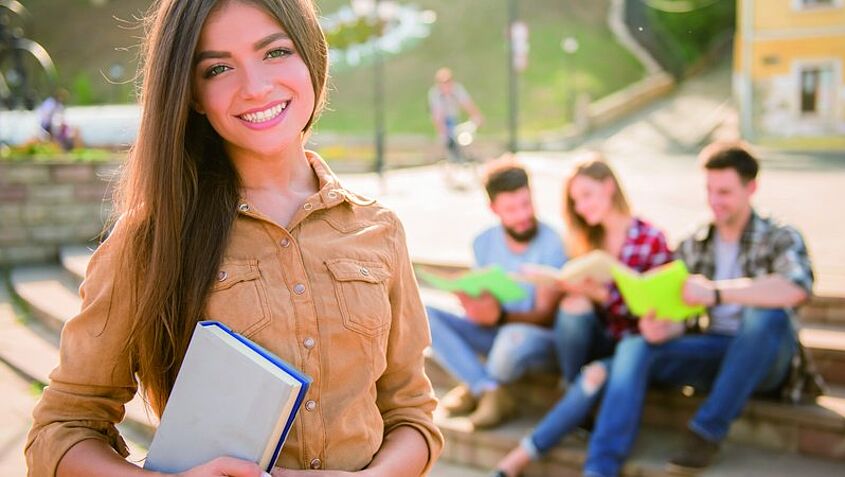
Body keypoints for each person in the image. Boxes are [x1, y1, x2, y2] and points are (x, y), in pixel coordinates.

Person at [25, 1, 442, 476]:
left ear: (312, 57)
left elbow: (412, 416)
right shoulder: (151, 240)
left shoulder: (378, 229)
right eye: (218, 67)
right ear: (193, 93)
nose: (256, 87)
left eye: (275, 52)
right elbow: (60, 431)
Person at [581, 142, 822, 477]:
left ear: (751, 187)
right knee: (636, 346)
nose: (714, 201)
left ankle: (706, 432)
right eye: (709, 190)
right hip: (714, 350)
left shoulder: (780, 236)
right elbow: (683, 311)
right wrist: (668, 328)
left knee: (766, 315)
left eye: (724, 192)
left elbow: (796, 288)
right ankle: (599, 468)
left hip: (769, 359)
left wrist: (717, 294)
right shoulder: (696, 241)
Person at [491, 153, 672, 477]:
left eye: (586, 196)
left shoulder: (650, 238)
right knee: (573, 309)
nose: (581, 207)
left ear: (609, 186)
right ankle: (573, 395)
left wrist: (602, 294)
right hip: (603, 340)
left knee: (591, 379)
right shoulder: (588, 240)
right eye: (575, 201)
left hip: (640, 345)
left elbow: (663, 307)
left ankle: (512, 464)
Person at [426, 157, 568, 429]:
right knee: (425, 315)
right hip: (494, 330)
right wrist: (473, 303)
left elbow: (547, 317)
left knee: (510, 337)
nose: (523, 215)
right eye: (511, 209)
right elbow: (484, 300)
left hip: (534, 339)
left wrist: (500, 317)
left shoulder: (552, 242)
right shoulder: (483, 242)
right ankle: (486, 387)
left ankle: (477, 385)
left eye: (526, 204)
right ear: (493, 209)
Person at [427, 67, 483, 165]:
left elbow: (467, 104)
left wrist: (477, 116)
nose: (446, 85)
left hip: (454, 116)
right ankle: (453, 157)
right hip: (443, 119)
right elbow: (437, 115)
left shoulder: (457, 89)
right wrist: (442, 131)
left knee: (463, 134)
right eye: (443, 83)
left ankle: (465, 156)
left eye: (448, 82)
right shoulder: (435, 94)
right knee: (448, 138)